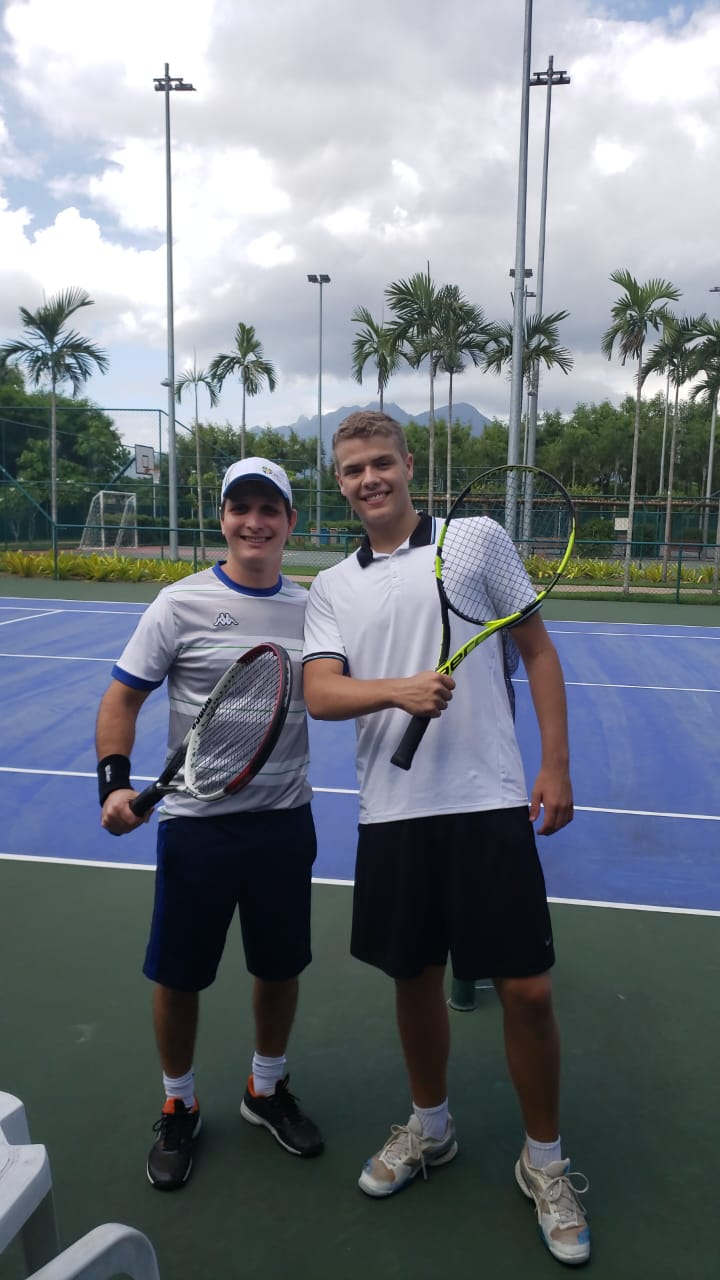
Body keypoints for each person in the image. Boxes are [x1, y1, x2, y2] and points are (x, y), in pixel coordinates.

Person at [302, 411, 589, 1266]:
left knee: (527, 990)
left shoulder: (474, 540)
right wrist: (398, 690)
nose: (369, 479)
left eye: (380, 462)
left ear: (408, 464)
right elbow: (321, 693)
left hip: (489, 800)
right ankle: (431, 1127)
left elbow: (537, 650)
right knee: (414, 977)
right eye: (352, 469)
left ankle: (545, 1162)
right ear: (340, 482)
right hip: (392, 813)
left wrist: (556, 765)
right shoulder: (331, 587)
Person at [95, 457, 323, 1191]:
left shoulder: (314, 609)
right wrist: (114, 783)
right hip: (197, 828)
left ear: (290, 521)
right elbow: (122, 698)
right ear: (222, 519)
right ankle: (179, 1103)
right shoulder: (178, 604)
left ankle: (266, 1088)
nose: (254, 522)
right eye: (240, 508)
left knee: (279, 967)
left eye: (269, 509)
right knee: (179, 975)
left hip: (284, 823)